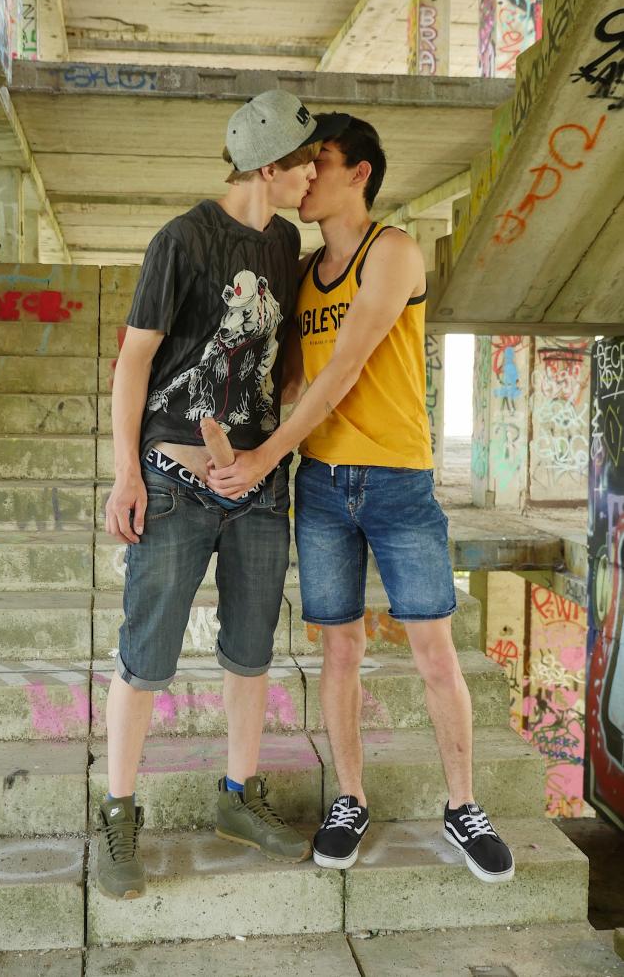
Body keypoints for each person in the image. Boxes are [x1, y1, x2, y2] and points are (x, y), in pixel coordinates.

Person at [208, 115, 515, 883]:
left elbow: (344, 367)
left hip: (398, 483)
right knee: (339, 650)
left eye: (322, 161)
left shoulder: (394, 252)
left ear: (360, 174)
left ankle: (463, 804)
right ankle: (350, 798)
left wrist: (265, 456)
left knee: (433, 651)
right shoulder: (302, 270)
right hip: (321, 485)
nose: (307, 175)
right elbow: (290, 378)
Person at [99, 90, 350, 900]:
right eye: (306, 162)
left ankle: (239, 797)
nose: (313, 175)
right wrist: (127, 472)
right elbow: (135, 362)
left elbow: (279, 359)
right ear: (270, 166)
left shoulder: (283, 243)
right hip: (174, 486)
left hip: (258, 490)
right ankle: (119, 813)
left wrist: (270, 448)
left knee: (250, 652)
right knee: (146, 658)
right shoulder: (182, 240)